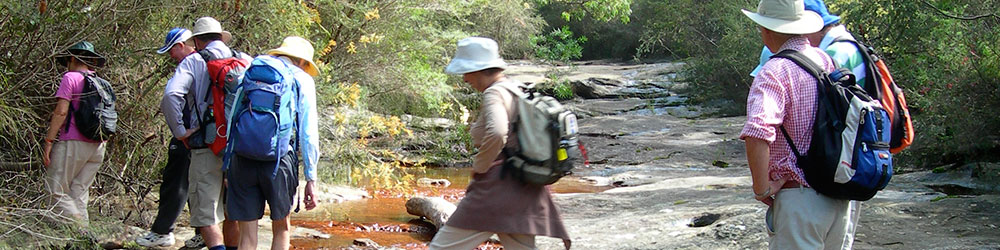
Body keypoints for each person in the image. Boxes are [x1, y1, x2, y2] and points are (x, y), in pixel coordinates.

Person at [428, 37, 571, 250]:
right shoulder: (513, 88)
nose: (465, 79)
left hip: (495, 189)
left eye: (466, 72)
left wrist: (480, 167)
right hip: (523, 185)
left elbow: (497, 133)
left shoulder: (494, 93)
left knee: (441, 247)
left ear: (479, 70)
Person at [748, 1, 865, 247]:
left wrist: (762, 189)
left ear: (768, 30)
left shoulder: (773, 71)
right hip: (838, 193)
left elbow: (758, 133)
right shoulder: (824, 60)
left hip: (800, 200)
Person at [160, 17, 247, 250]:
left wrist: (180, 131)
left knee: (206, 214)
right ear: (220, 36)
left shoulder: (194, 61)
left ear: (197, 41)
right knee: (233, 212)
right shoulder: (244, 59)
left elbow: (171, 96)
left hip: (205, 145)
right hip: (239, 146)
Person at [225, 36, 320, 250]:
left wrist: (227, 163)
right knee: (281, 228)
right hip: (279, 160)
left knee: (247, 233)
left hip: (243, 158)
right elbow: (308, 133)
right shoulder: (302, 80)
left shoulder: (253, 69)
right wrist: (311, 179)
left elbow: (233, 116)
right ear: (303, 61)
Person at [137, 27, 207, 248]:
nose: (171, 56)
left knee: (175, 182)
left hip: (189, 136)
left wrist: (180, 131)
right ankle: (203, 234)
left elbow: (171, 96)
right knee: (201, 185)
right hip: (211, 135)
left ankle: (162, 232)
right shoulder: (209, 62)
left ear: (180, 46)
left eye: (171, 50)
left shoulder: (189, 63)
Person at [42, 41, 108, 226]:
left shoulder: (70, 78)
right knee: (79, 192)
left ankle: (79, 228)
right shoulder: (101, 83)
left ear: (71, 58)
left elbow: (61, 112)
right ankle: (83, 239)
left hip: (73, 142)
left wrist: (49, 141)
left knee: (56, 189)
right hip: (98, 145)